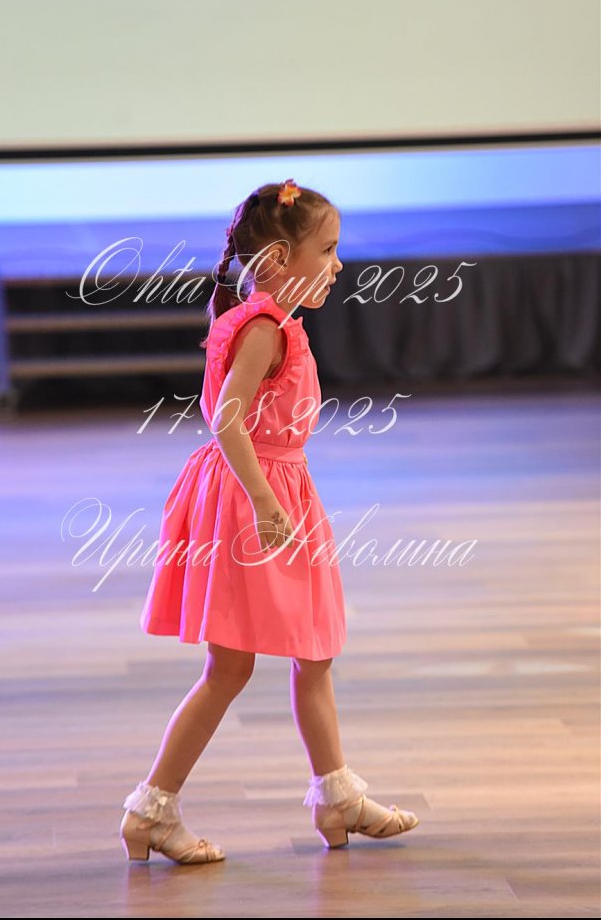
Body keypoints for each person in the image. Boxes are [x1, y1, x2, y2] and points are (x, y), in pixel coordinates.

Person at [119, 179, 419, 864]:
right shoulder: (264, 328)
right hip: (254, 499)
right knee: (231, 666)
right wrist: (262, 501)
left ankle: (335, 794)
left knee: (312, 649)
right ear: (281, 258)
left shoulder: (274, 321)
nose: (339, 264)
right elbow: (226, 419)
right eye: (329, 249)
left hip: (273, 492)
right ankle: (151, 809)